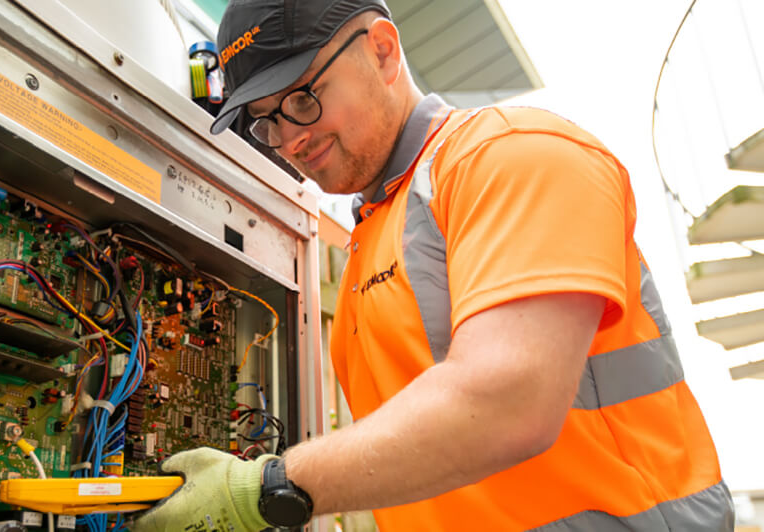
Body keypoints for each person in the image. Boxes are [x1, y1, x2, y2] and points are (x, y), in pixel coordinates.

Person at [132, 0, 735, 530]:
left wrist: (267, 489)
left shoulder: (511, 154)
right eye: (267, 121)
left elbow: (509, 402)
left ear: (384, 51)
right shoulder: (374, 238)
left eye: (301, 98)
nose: (288, 140)